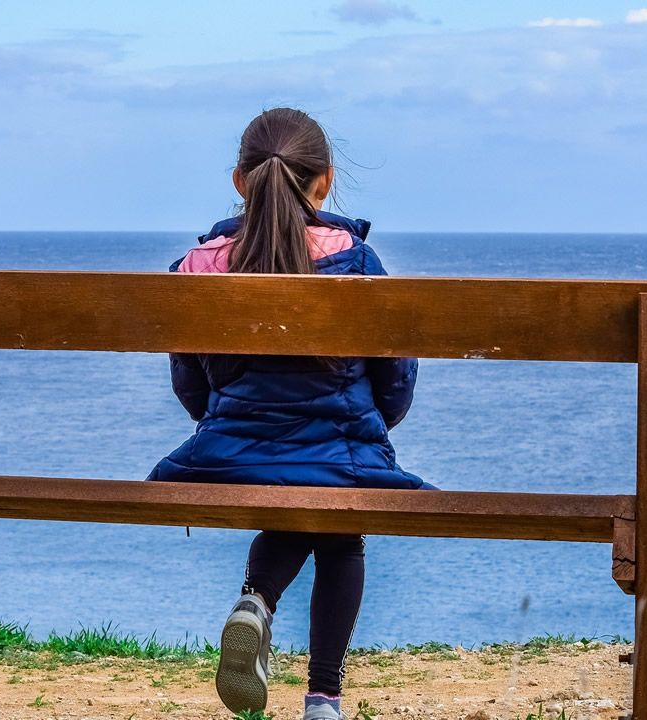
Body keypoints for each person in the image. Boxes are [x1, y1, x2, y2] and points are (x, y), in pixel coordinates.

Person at [147, 107, 429, 720]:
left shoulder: (196, 269)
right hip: (340, 454)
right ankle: (323, 699)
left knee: (303, 481)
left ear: (239, 180)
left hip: (224, 457)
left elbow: (190, 386)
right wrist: (364, 428)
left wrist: (226, 423)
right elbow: (395, 383)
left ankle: (256, 600)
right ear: (324, 180)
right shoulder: (355, 263)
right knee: (338, 520)